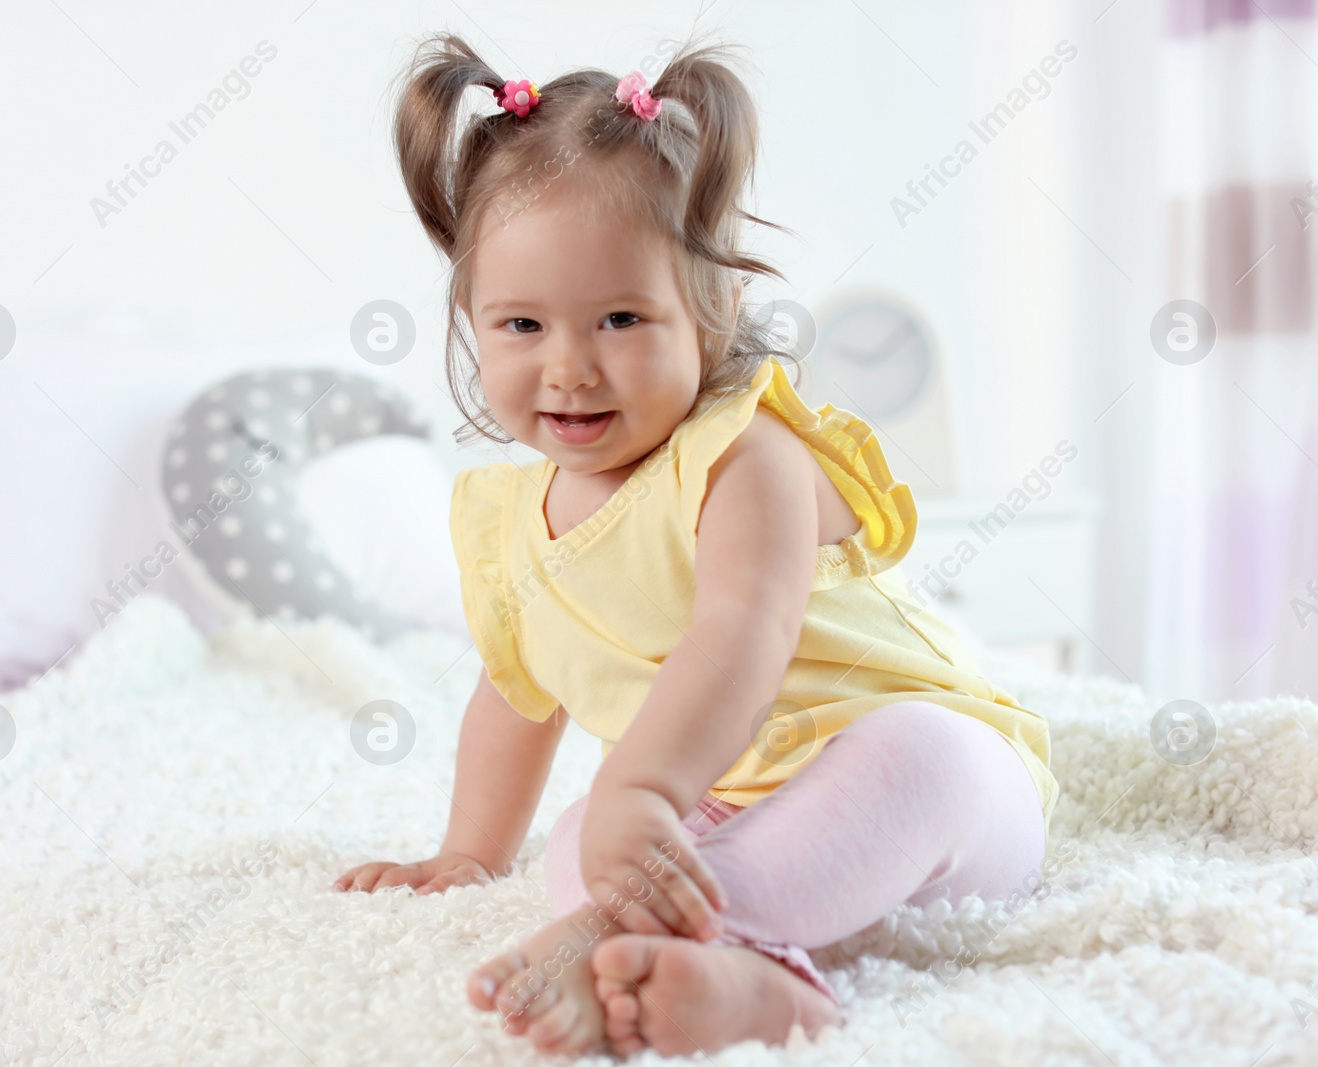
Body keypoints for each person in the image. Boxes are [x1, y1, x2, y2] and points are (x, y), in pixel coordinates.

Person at [335, 32, 1059, 1057]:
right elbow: (515, 694)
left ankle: (662, 939)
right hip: (720, 802)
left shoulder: (741, 456)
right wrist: (468, 850)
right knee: (583, 836)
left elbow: (740, 632)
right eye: (521, 326)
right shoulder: (509, 523)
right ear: (471, 322)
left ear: (714, 310)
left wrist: (647, 787)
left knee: (922, 755)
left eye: (621, 318)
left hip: (935, 791)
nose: (569, 368)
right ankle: (743, 981)